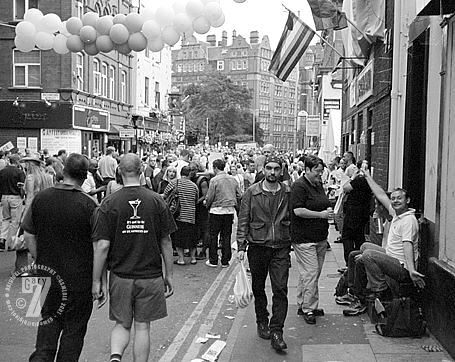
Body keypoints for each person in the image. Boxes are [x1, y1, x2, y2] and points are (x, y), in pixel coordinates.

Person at [92, 153, 176, 362]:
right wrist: (169, 274)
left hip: (120, 275)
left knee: (122, 323)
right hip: (150, 275)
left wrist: (97, 281)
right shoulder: (156, 201)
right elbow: (166, 241)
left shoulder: (109, 203)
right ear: (141, 171)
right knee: (142, 326)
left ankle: (115, 357)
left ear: (119, 171)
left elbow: (102, 246)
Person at [23, 153, 98, 361]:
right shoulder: (89, 205)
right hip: (79, 280)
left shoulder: (41, 198)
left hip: (48, 275)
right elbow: (98, 244)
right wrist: (98, 280)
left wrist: (39, 257)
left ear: (63, 172)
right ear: (84, 177)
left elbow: (28, 233)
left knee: (48, 323)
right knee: (73, 331)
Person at [341, 167, 425, 316]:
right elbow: (380, 193)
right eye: (393, 198)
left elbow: (408, 245)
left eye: (399, 198)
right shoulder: (396, 213)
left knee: (368, 255)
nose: (395, 201)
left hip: (402, 267)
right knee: (363, 248)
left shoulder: (408, 220)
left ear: (408, 201)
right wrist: (367, 177)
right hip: (391, 257)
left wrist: (411, 270)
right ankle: (357, 295)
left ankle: (381, 291)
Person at [237, 156, 291, 352]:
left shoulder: (287, 192)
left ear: (281, 170)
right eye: (269, 168)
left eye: (276, 169)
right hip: (258, 245)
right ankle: (262, 320)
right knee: (258, 287)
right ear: (264, 169)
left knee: (280, 289)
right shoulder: (252, 192)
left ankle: (277, 331)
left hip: (281, 247)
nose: (272, 172)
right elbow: (243, 219)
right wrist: (241, 246)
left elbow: (292, 216)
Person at [291, 155, 334, 324]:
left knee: (308, 274)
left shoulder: (318, 184)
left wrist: (328, 206)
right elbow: (298, 211)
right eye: (317, 171)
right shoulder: (299, 186)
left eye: (322, 171)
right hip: (304, 239)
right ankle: (309, 309)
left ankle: (303, 304)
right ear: (307, 169)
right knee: (311, 273)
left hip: (320, 238)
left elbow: (320, 202)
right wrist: (321, 215)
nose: (320, 174)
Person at [205, 158, 242, 268]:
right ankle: (225, 260)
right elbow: (239, 195)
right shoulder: (233, 179)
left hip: (216, 210)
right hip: (229, 210)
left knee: (213, 236)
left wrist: (207, 204)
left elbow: (210, 197)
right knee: (226, 236)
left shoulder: (214, 180)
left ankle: (213, 260)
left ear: (215, 168)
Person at [163, 166, 199, 265]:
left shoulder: (175, 182)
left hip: (178, 214)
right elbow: (196, 199)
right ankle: (193, 258)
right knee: (192, 238)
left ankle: (181, 259)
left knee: (178, 238)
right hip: (191, 215)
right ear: (189, 174)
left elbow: (165, 194)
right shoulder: (194, 186)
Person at [340, 162, 373, 266]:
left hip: (353, 213)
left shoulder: (359, 180)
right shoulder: (370, 181)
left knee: (347, 237)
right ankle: (359, 262)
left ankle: (349, 263)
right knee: (359, 236)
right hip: (363, 213)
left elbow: (345, 188)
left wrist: (353, 177)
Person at [0, 154, 25, 250]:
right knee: (15, 221)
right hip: (15, 197)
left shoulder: (2, 172)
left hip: (4, 197)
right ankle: (12, 242)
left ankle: (2, 239)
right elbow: (23, 187)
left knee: (5, 219)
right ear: (17, 161)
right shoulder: (19, 172)